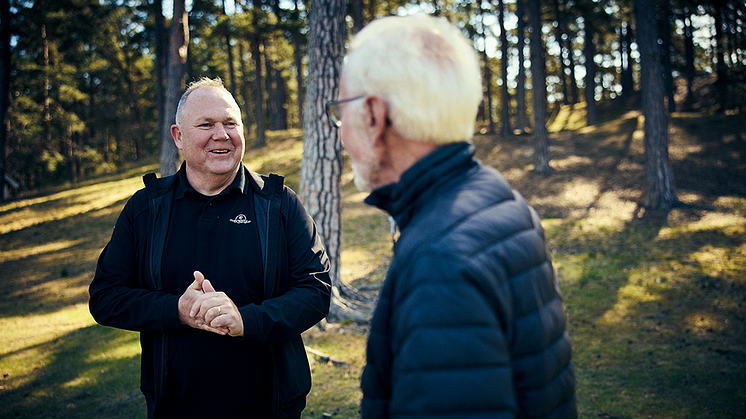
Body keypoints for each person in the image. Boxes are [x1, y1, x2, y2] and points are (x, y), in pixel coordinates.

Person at [329, 15, 577, 418]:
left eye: (341, 111)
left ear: (374, 116)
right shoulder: (497, 196)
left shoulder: (439, 261)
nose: (340, 133)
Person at [89, 77, 332, 419]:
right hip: (175, 408)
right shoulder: (147, 209)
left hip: (270, 406)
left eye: (231, 123)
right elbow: (106, 297)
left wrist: (246, 320)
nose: (222, 134)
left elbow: (315, 291)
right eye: (206, 125)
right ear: (178, 136)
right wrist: (178, 310)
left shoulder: (278, 205)